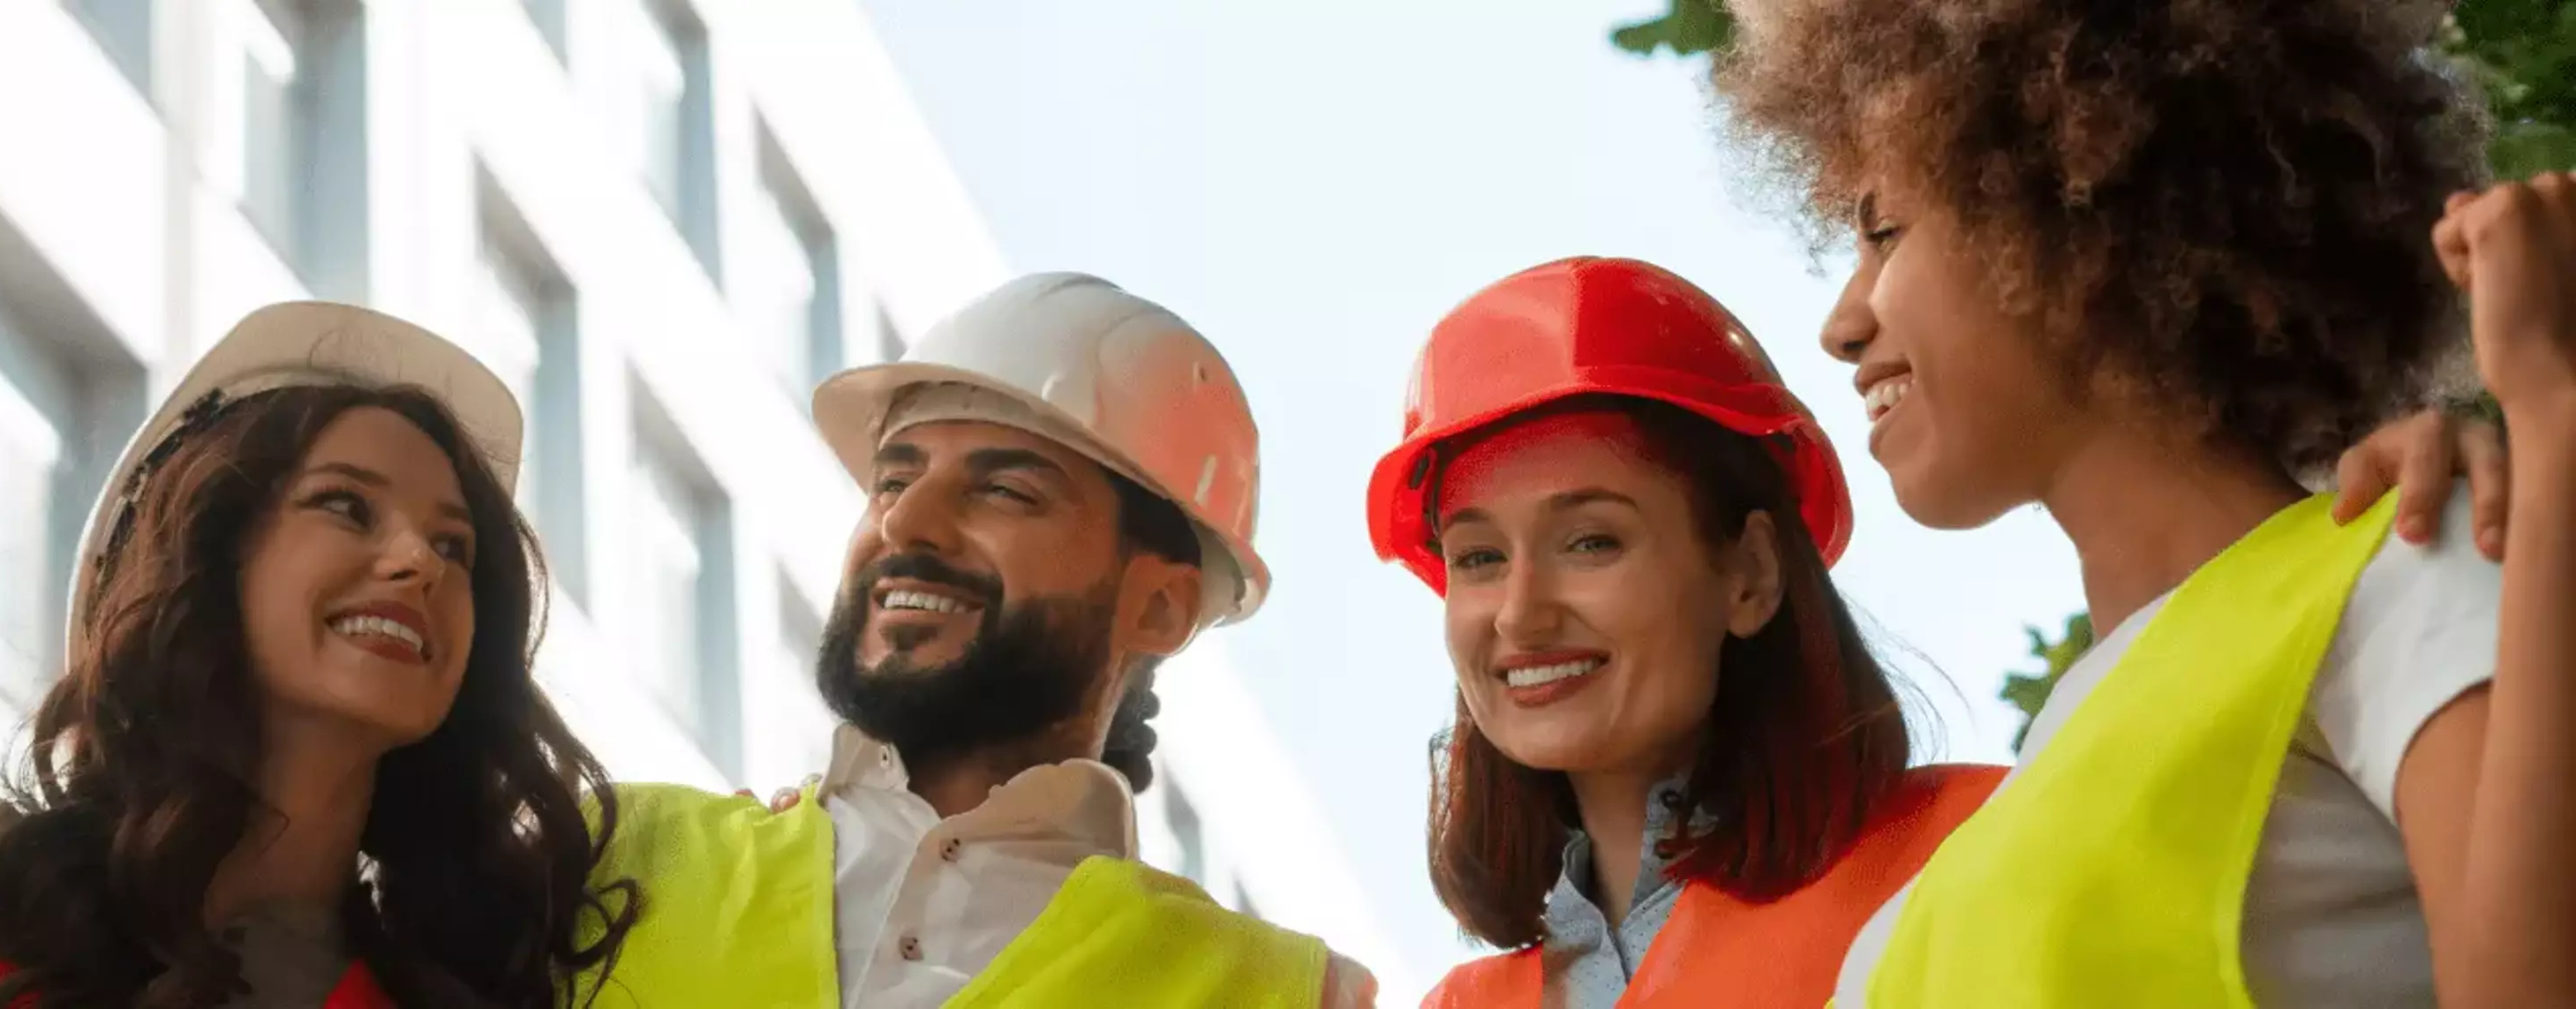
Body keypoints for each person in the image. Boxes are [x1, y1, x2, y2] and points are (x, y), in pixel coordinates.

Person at [1716, 0, 2572, 1003]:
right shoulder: (1949, 877)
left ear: (2075, 208)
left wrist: (2552, 410)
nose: (1841, 325)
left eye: (1884, 233)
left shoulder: (2409, 559)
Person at [0, 304, 641, 1009]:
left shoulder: (478, 986)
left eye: (454, 546)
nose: (419, 560)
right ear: (207, 553)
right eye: (347, 504)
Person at [580, 273, 1375, 1007]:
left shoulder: (1281, 995)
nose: (904, 520)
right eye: (893, 480)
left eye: (1004, 489)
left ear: (1162, 606)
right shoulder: (610, 856)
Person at [1375, 258, 2001, 1008]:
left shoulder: (1973, 853)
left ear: (1750, 573)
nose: (1519, 613)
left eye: (1590, 541)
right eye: (1478, 557)